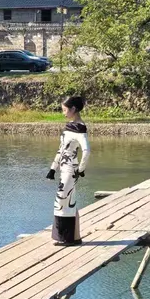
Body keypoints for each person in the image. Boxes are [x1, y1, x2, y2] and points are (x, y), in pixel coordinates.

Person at [46, 93, 90, 246]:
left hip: (71, 170)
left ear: (73, 109)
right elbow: (62, 149)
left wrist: (81, 169)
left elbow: (87, 150)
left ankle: (67, 238)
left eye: (64, 110)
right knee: (68, 201)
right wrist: (53, 168)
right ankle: (74, 237)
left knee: (62, 201)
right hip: (64, 168)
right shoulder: (69, 127)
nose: (63, 113)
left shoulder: (80, 129)